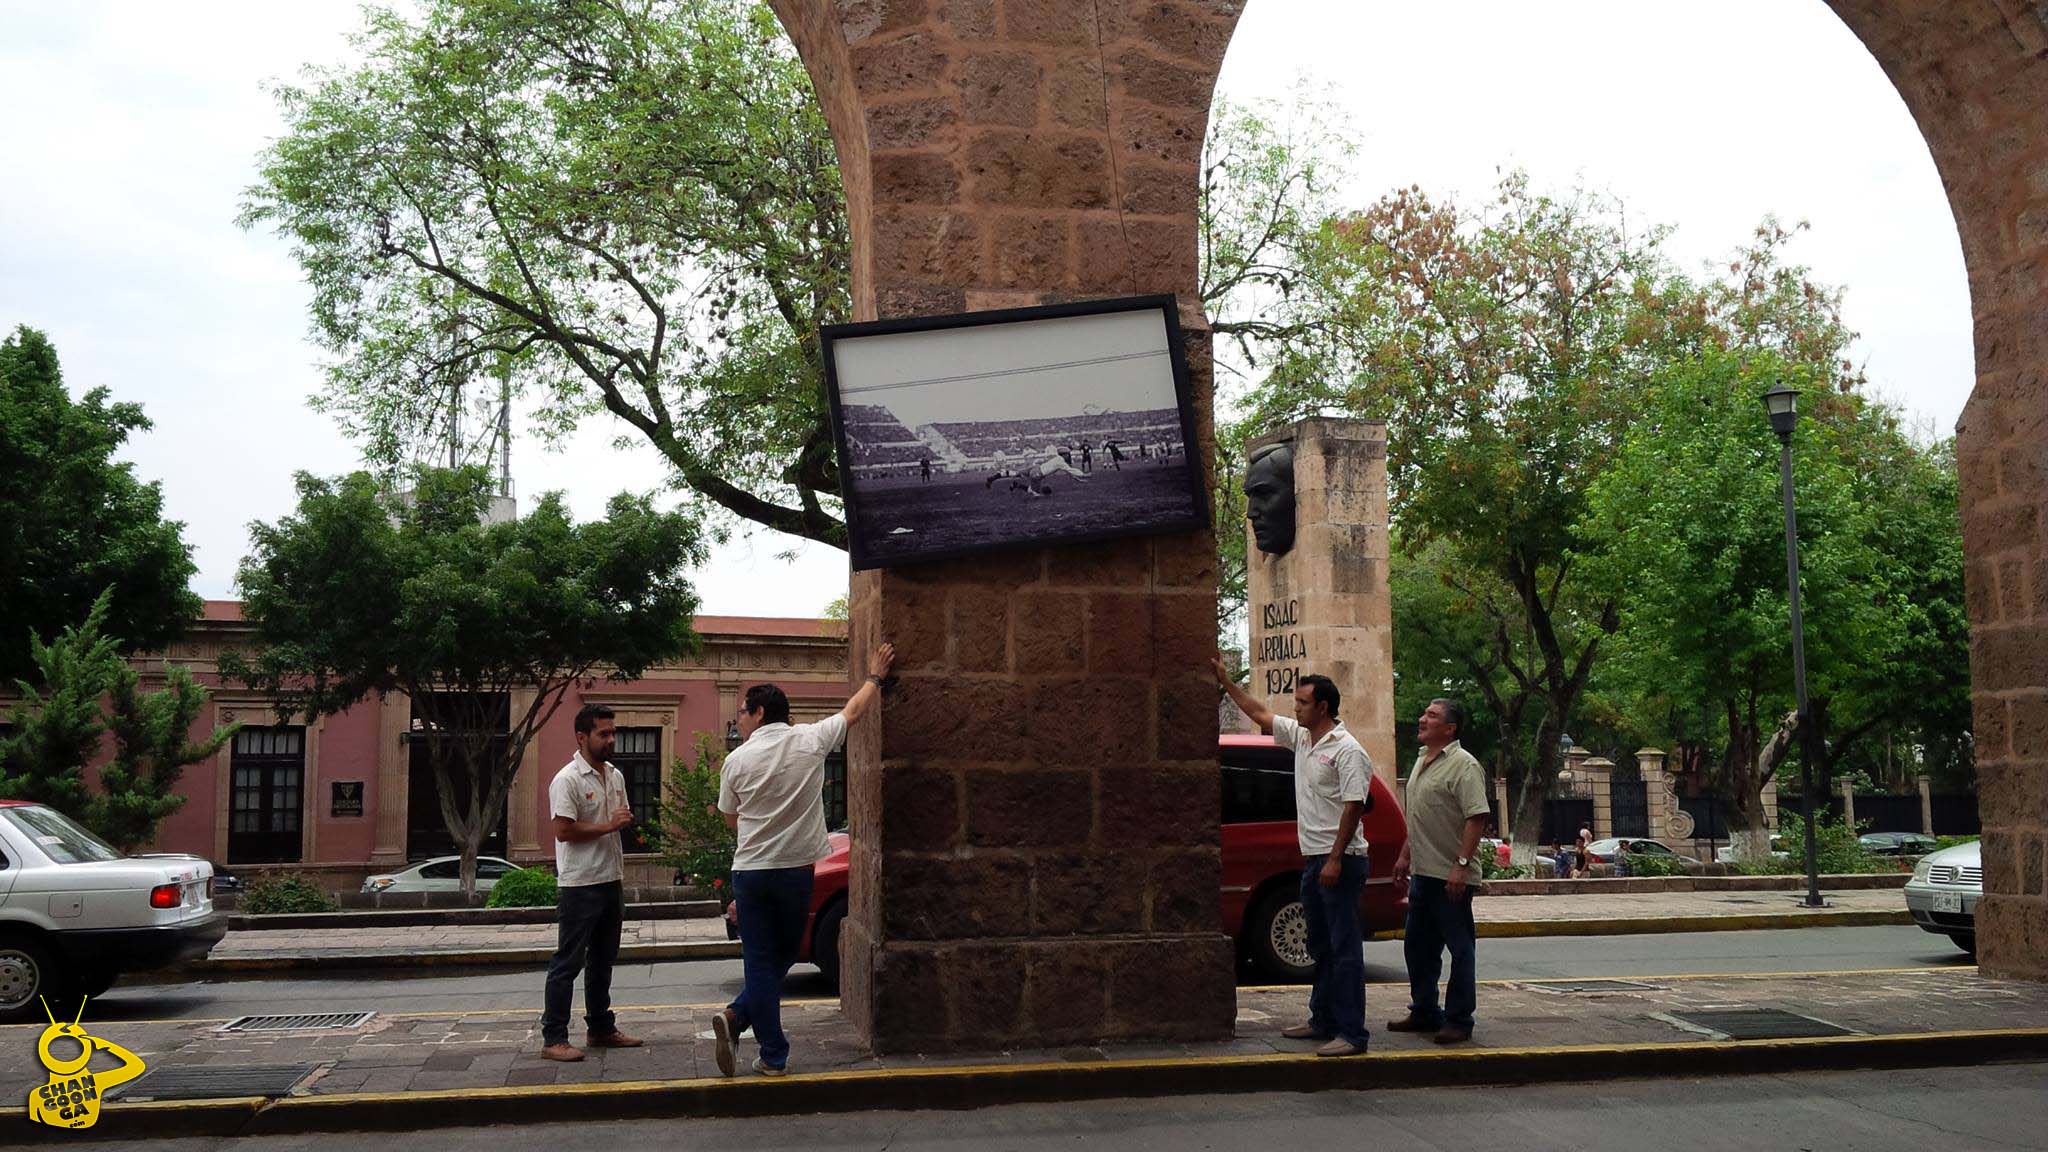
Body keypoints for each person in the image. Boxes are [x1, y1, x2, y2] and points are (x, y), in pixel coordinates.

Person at [711, 642, 896, 1077]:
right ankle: (756, 1038)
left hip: (751, 872)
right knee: (784, 955)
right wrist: (874, 677)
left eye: (742, 711)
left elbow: (728, 818)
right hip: (796, 871)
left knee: (759, 959)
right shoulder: (810, 739)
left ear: (759, 713)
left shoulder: (736, 760)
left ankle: (749, 1028)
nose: (738, 718)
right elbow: (852, 712)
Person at [1214, 657, 1372, 1058]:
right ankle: (1322, 1019)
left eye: (1302, 702)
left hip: (1341, 858)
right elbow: (1260, 714)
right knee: (1319, 944)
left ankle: (1352, 1033)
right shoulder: (1302, 738)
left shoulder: (1348, 750)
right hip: (1313, 859)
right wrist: (1227, 682)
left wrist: (1335, 859)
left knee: (1344, 947)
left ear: (1322, 707)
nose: (1296, 708)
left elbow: (1354, 807)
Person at [539, 703, 641, 1062]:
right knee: (568, 962)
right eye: (603, 733)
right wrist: (609, 825)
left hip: (611, 878)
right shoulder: (566, 779)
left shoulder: (614, 775)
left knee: (603, 960)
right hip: (579, 884)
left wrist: (621, 822)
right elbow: (563, 831)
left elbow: (619, 817)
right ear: (582, 737)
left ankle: (600, 1028)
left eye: (613, 732)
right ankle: (554, 1038)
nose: (611, 739)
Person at [1390, 698, 1490, 1044]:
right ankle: (1424, 1011)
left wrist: (1461, 866)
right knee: (1418, 946)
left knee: (1460, 949)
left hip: (1451, 876)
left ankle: (1459, 1019)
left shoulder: (1464, 765)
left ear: (1450, 729)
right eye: (1424, 712)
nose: (1422, 719)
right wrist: (1405, 855)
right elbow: (1417, 816)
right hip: (1423, 873)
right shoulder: (1421, 761)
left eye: (1431, 716)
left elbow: (1476, 817)